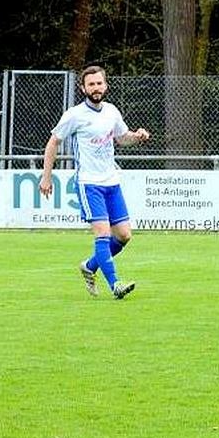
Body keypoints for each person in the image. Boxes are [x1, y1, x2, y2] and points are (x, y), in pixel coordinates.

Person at [39, 64, 151, 299]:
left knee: (123, 236)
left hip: (111, 182)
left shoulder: (111, 111)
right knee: (101, 233)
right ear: (83, 88)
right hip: (89, 183)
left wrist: (137, 136)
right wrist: (46, 176)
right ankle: (115, 285)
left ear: (105, 85)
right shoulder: (74, 115)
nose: (96, 88)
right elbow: (53, 142)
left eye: (99, 83)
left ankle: (90, 266)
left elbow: (122, 138)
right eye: (91, 84)